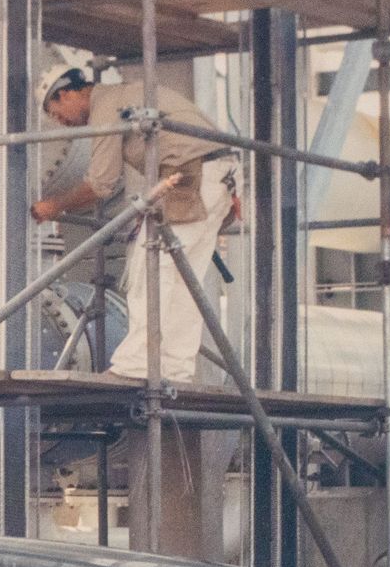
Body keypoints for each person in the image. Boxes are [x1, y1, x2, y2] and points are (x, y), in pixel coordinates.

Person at [31, 66, 236, 384]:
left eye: (58, 114)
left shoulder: (105, 105)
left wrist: (52, 206)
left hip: (189, 177)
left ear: (66, 93)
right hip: (218, 175)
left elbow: (100, 183)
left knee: (149, 269)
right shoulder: (127, 95)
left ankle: (138, 366)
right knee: (184, 279)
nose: (64, 124)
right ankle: (175, 367)